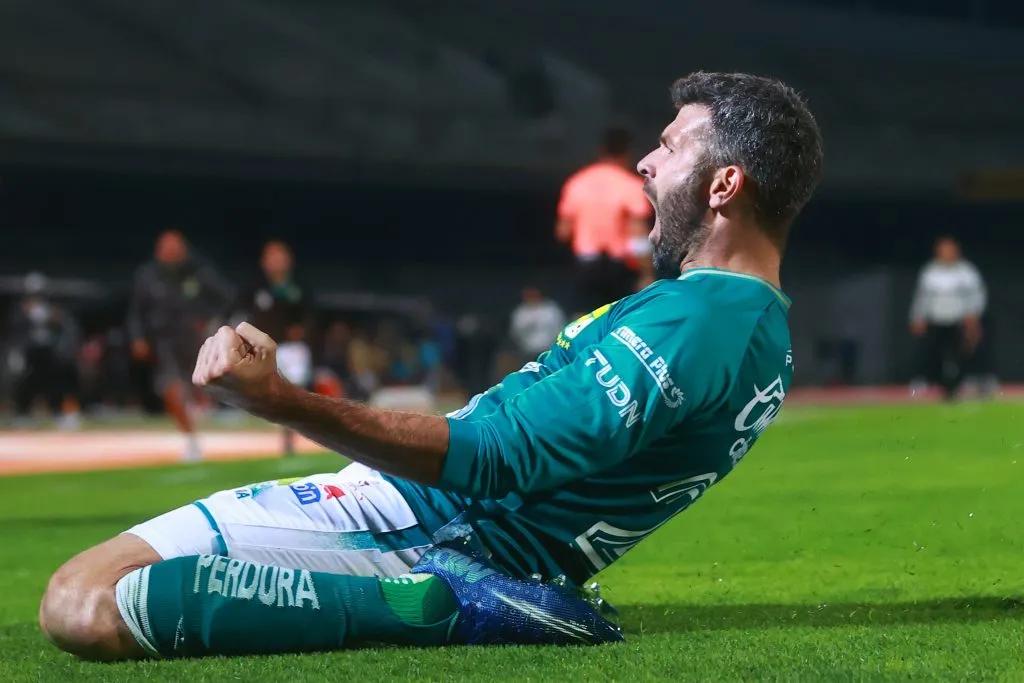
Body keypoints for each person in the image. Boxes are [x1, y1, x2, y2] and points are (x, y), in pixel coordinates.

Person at [40, 72, 824, 660]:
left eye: (671, 145)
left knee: (82, 602)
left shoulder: (698, 320)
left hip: (431, 524)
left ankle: (450, 607)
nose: (647, 164)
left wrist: (282, 400)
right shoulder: (759, 331)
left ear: (725, 184)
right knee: (91, 590)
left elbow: (495, 457)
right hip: (458, 523)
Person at [126, 230, 234, 461]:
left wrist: (209, 319)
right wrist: (137, 337)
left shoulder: (199, 273)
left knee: (202, 385)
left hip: (195, 340)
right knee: (169, 386)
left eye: (175, 248)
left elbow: (226, 297)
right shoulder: (147, 276)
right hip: (163, 341)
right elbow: (136, 311)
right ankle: (190, 437)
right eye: (166, 248)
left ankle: (202, 413)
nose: (170, 252)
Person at [556, 127, 653, 315]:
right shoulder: (630, 185)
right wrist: (646, 273)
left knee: (584, 322)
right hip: (619, 268)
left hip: (586, 265)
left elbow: (563, 232)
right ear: (627, 152)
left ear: (601, 151)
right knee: (618, 321)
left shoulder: (577, 182)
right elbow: (638, 235)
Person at [234, 240, 314, 454]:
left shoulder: (298, 289)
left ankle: (289, 435)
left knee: (292, 391)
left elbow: (309, 317)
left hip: (292, 349)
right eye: (272, 257)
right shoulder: (254, 290)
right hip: (263, 347)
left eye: (280, 257)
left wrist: (302, 330)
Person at [909, 236, 987, 400]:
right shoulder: (930, 272)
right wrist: (917, 317)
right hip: (936, 321)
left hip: (958, 321)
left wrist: (973, 315)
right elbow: (921, 298)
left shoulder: (967, 272)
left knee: (962, 355)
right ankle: (943, 385)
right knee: (932, 355)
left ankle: (956, 387)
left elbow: (977, 295)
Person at [7, 272, 81, 430]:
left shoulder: (52, 310)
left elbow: (64, 327)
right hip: (30, 353)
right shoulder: (20, 310)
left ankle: (58, 412)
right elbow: (16, 332)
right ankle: (23, 413)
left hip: (48, 351)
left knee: (54, 382)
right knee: (27, 382)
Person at [509, 286, 566, 365]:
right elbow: (516, 332)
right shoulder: (520, 311)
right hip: (528, 352)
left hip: (548, 350)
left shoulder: (551, 309)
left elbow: (560, 328)